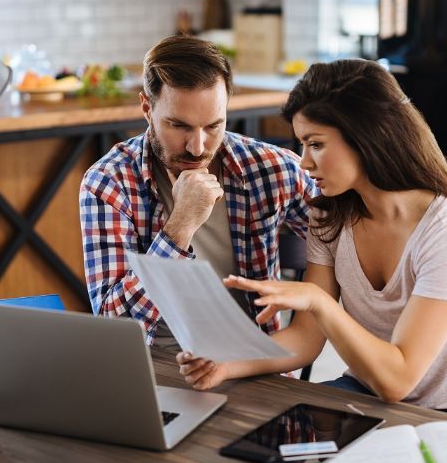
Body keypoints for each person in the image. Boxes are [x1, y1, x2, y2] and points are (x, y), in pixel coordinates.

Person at [176, 59, 447, 426]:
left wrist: (319, 302)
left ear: (367, 136)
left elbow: (397, 380)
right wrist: (225, 363)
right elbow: (305, 340)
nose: (303, 163)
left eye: (315, 144)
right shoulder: (330, 217)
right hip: (365, 394)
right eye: (302, 145)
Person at [80, 35, 317, 346]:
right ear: (147, 108)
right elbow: (116, 328)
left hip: (255, 363)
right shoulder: (109, 183)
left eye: (213, 126)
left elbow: (347, 243)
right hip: (155, 365)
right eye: (179, 126)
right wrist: (180, 227)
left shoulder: (271, 168)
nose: (198, 147)